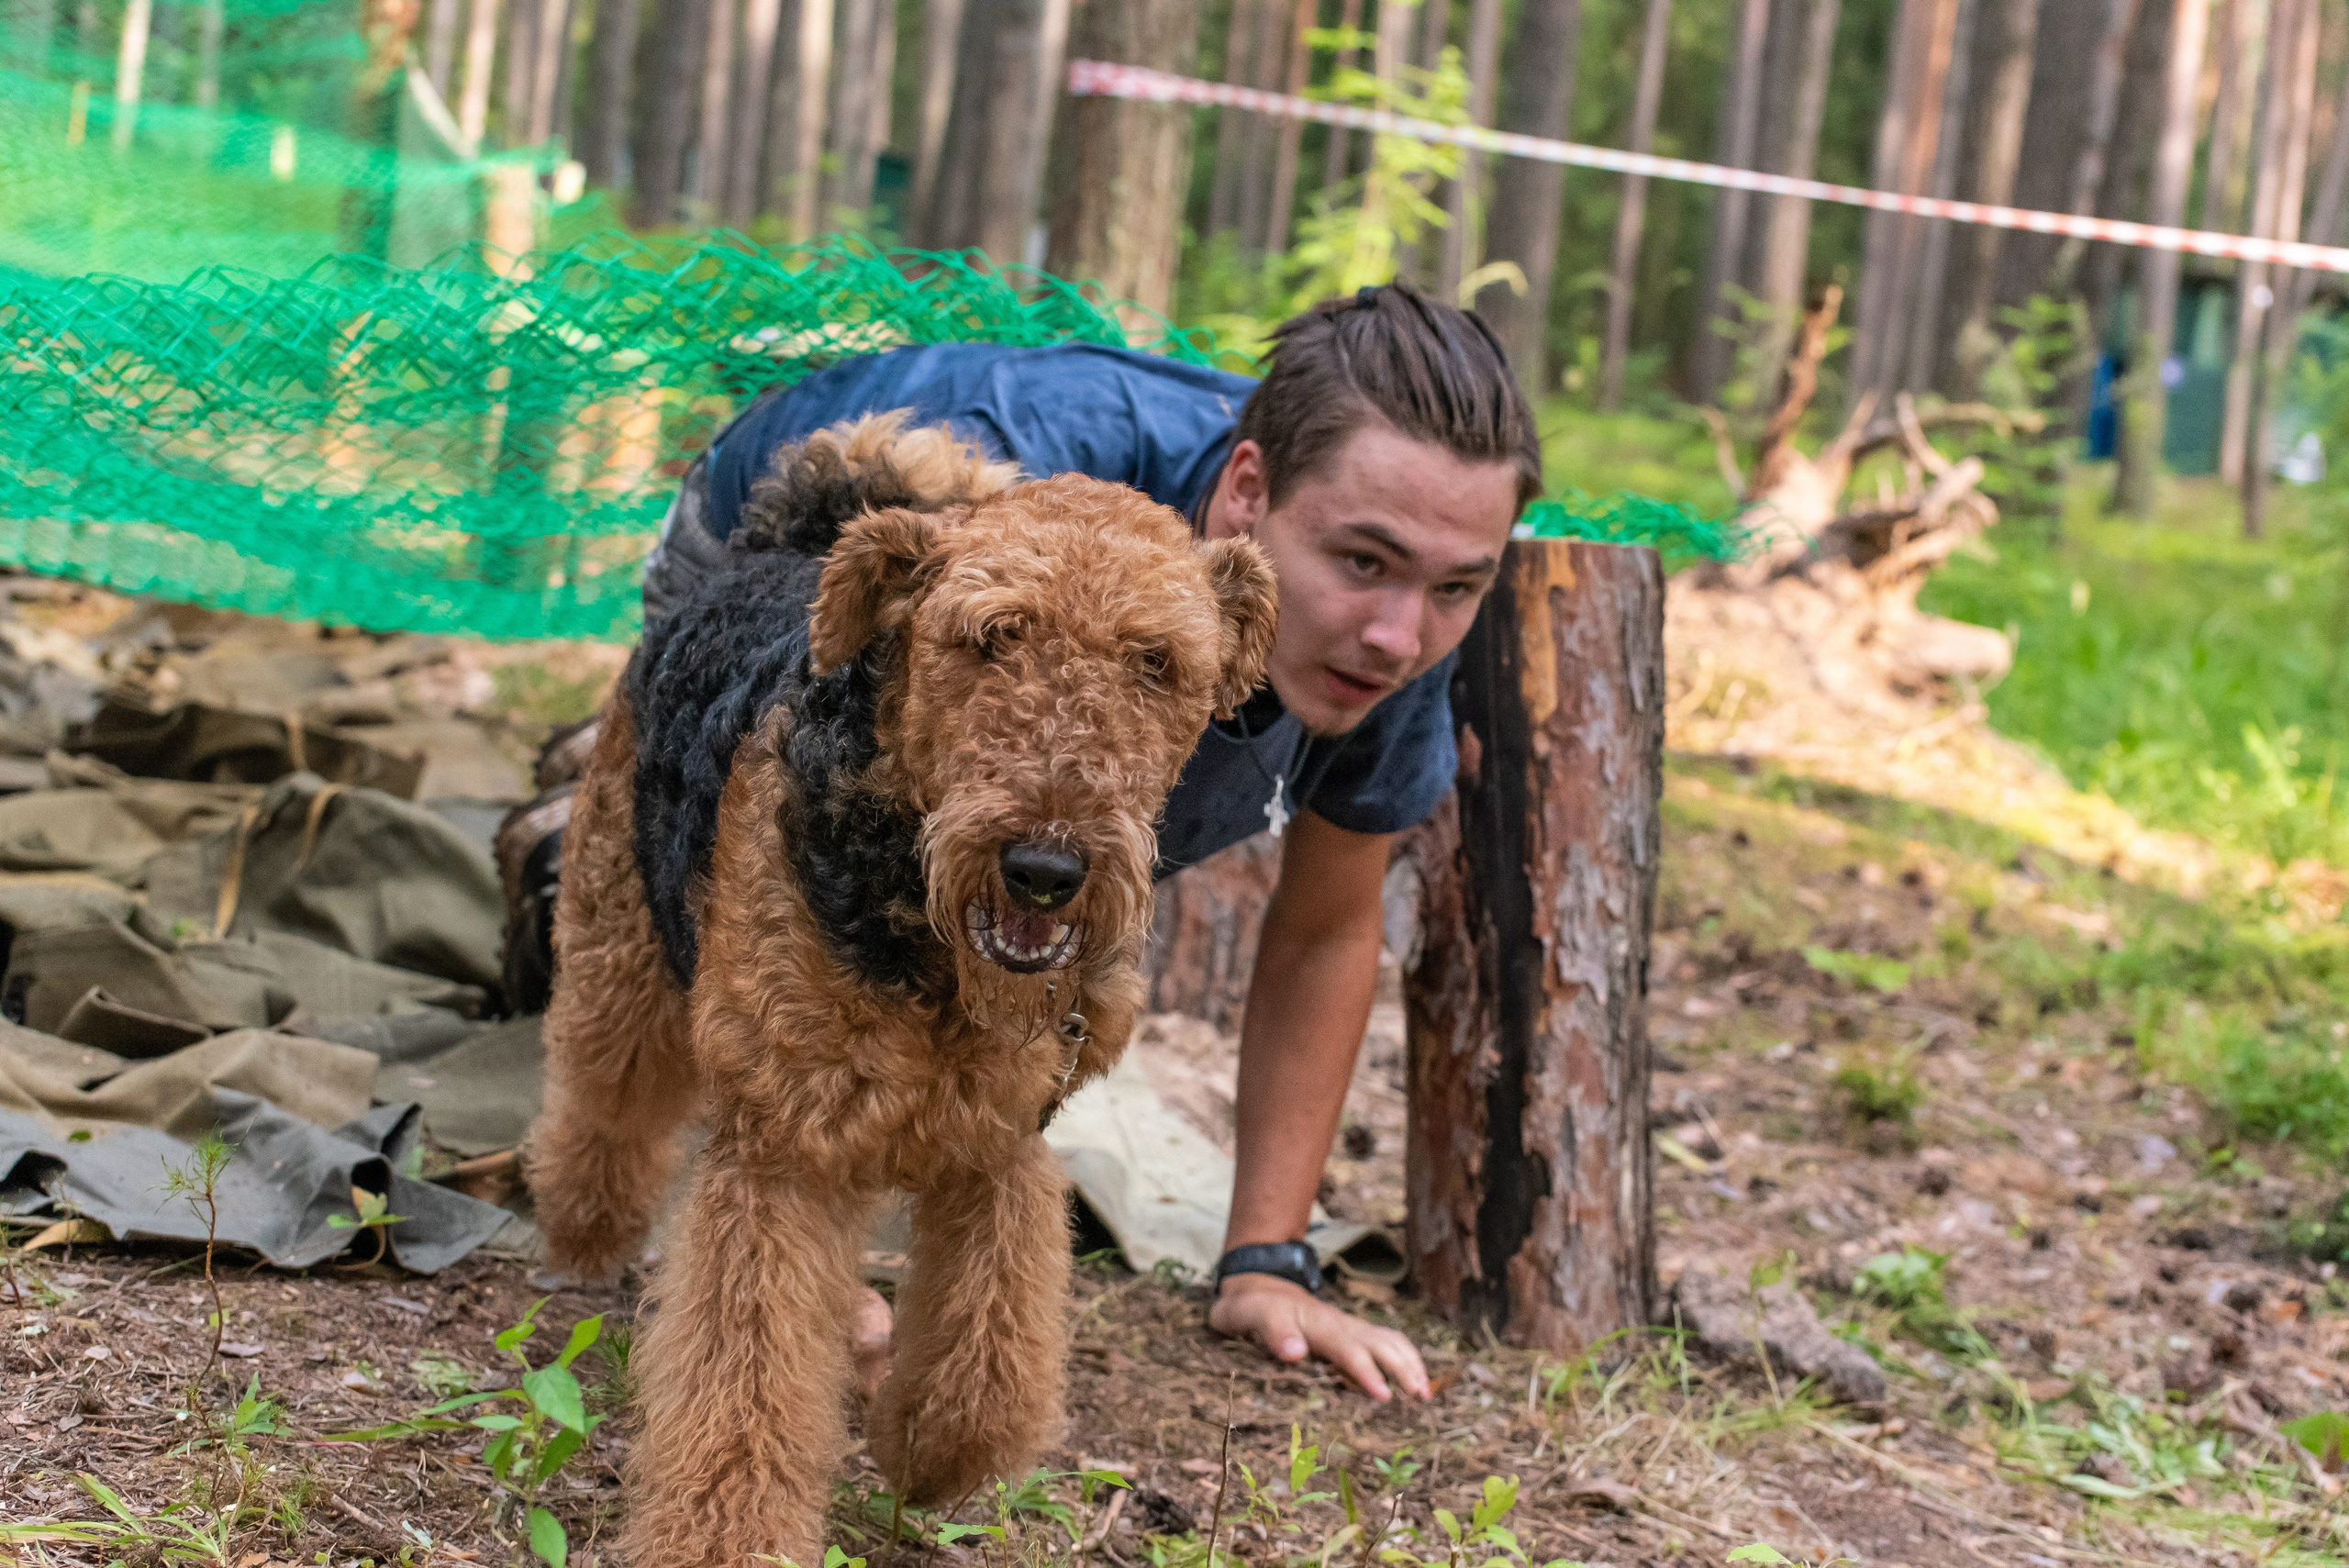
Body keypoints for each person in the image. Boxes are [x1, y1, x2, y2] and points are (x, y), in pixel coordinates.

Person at [505, 282, 1541, 1403]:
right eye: (1363, 562)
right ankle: (583, 832)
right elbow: (812, 685)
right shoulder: (1020, 488)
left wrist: (1266, 1256)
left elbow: (1327, 927)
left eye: (1456, 586)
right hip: (774, 540)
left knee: (1002, 991)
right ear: (1247, 491)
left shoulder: (1386, 648)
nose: (1399, 632)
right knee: (728, 937)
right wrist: (799, 1214)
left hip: (1072, 766)